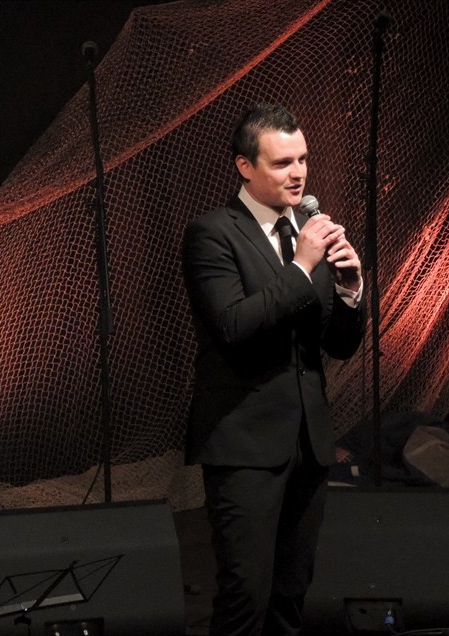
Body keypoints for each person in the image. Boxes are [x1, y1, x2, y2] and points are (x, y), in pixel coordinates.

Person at [181, 103, 366, 635]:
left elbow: (337, 346)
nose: (298, 173)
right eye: (283, 162)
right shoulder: (213, 233)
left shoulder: (308, 230)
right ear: (245, 166)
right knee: (246, 595)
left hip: (308, 442)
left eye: (303, 159)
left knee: (292, 594)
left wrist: (350, 291)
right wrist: (302, 267)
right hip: (245, 444)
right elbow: (234, 326)